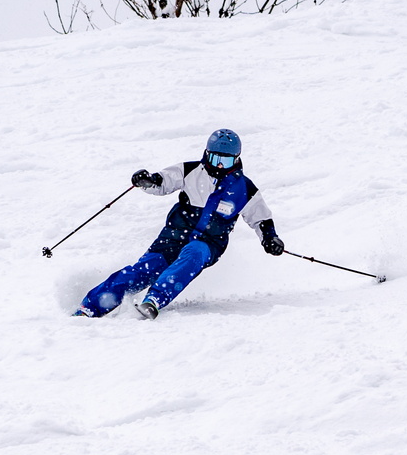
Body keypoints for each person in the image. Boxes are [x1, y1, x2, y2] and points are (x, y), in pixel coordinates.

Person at [74, 129, 284, 319]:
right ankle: (90, 307)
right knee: (143, 270)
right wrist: (148, 181)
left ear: (236, 160)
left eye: (226, 161)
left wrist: (270, 238)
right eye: (215, 158)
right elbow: (162, 182)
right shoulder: (190, 171)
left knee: (194, 253)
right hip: (173, 237)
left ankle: (154, 299)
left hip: (209, 242)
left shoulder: (244, 189)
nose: (219, 165)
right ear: (207, 154)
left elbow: (261, 218)